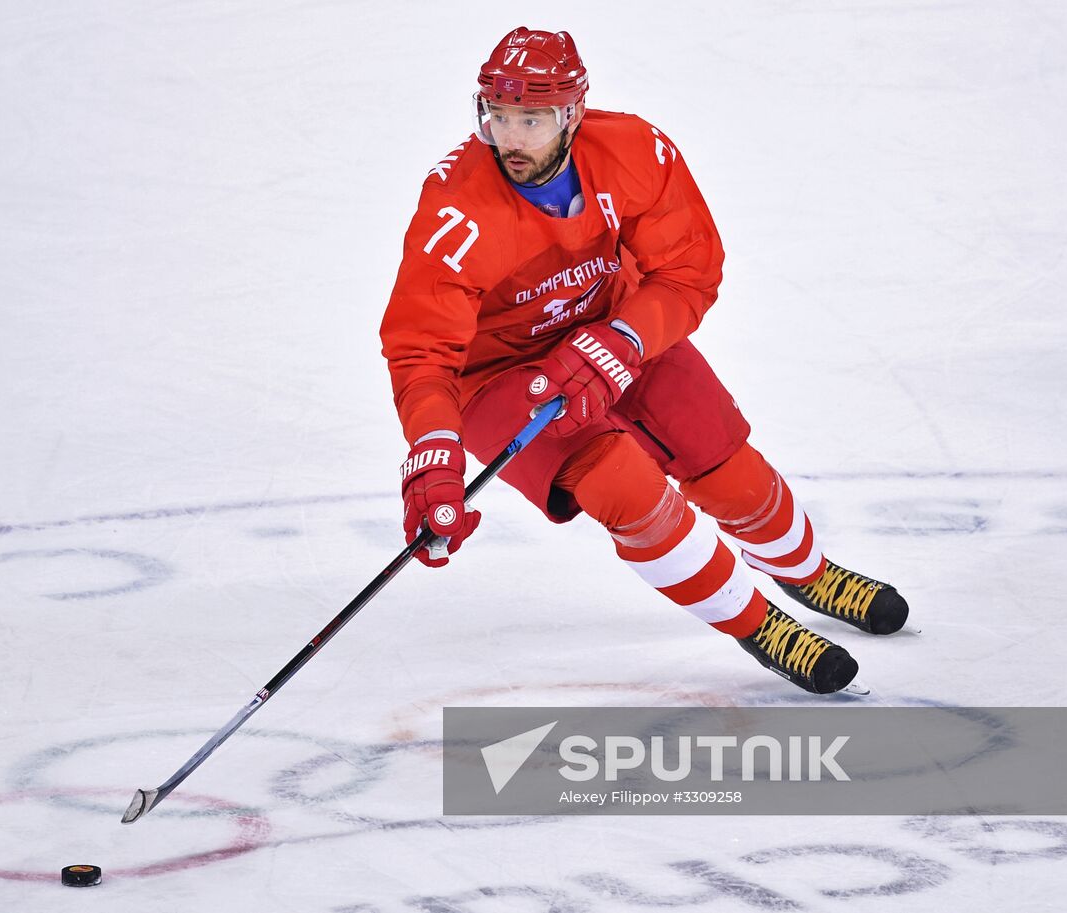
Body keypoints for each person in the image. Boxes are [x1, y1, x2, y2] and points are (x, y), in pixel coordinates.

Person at [379, 27, 910, 695]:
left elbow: (690, 269)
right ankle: (755, 622)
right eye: (499, 116)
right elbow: (422, 350)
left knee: (717, 450)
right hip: (503, 378)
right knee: (623, 486)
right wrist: (433, 452)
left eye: (531, 119)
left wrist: (626, 338)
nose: (510, 138)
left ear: (572, 113)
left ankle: (804, 569)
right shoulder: (456, 209)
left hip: (617, 326)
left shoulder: (634, 150)